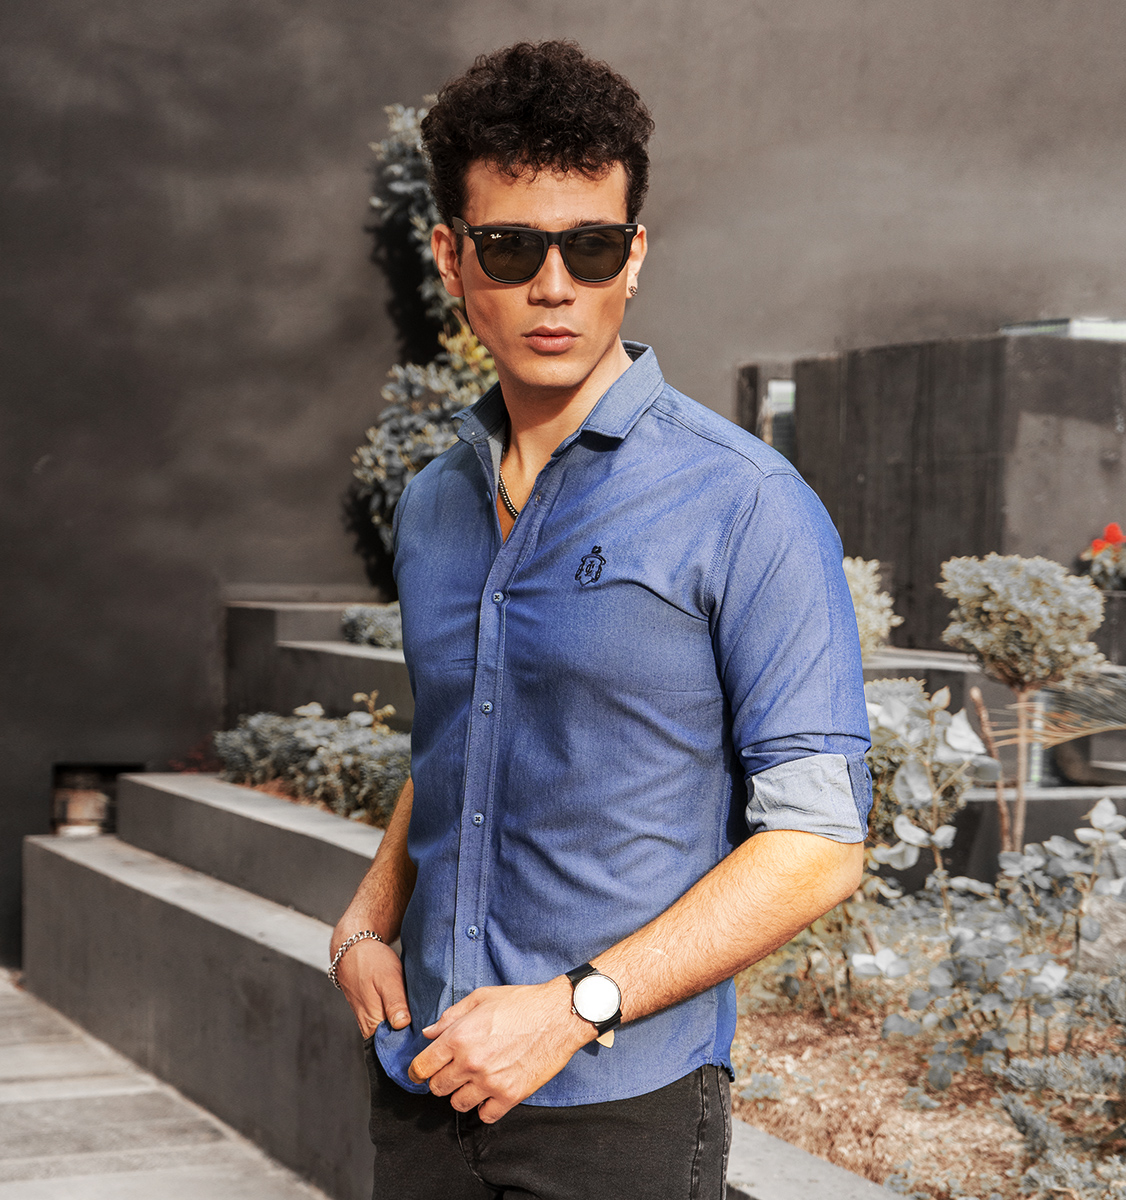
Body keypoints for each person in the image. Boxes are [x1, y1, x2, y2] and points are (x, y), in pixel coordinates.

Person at [329, 39, 870, 1200]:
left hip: (619, 1109)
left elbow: (821, 842)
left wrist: (576, 1006)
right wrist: (368, 919)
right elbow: (461, 732)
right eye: (511, 248)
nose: (553, 286)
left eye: (590, 247)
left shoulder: (745, 503)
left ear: (635, 256)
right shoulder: (433, 506)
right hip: (420, 1083)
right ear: (451, 257)